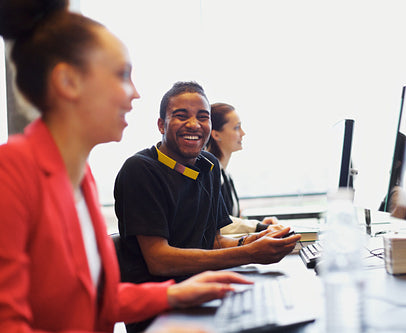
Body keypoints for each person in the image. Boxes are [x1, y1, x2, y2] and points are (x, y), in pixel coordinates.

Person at [0, 1, 253, 332]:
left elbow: (94, 302)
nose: (134, 93)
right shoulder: (12, 171)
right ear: (68, 82)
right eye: (121, 76)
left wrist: (174, 295)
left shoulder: (81, 178)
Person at [114, 82, 301, 284]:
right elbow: (159, 260)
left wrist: (252, 241)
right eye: (181, 116)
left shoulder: (209, 165)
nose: (194, 124)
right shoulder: (141, 170)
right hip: (161, 304)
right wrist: (249, 253)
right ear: (161, 124)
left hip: (201, 288)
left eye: (203, 117)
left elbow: (213, 242)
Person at [206, 102, 281, 234]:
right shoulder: (208, 174)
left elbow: (231, 221)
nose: (243, 133)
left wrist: (261, 225)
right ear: (216, 134)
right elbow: (219, 224)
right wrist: (258, 227)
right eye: (236, 128)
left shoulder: (225, 174)